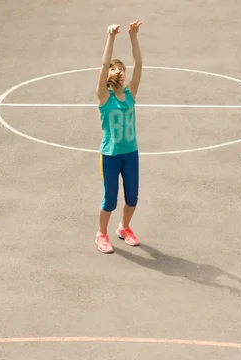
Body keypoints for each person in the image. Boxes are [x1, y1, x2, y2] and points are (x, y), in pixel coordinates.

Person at [94, 20, 143, 253]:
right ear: (108, 75)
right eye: (115, 68)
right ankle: (101, 234)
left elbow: (139, 63)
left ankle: (124, 228)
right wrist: (111, 37)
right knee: (110, 200)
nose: (119, 70)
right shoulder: (104, 97)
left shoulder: (130, 94)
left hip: (130, 153)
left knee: (132, 198)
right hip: (111, 155)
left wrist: (133, 37)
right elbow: (104, 64)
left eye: (121, 68)